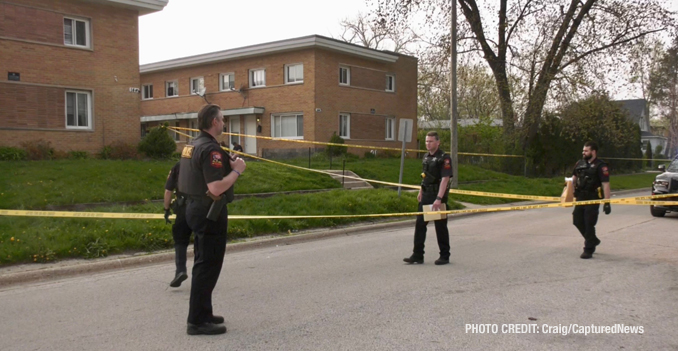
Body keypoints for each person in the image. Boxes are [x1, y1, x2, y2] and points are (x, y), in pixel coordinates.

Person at [177, 104, 246, 335]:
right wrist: (237, 171)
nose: (224, 123)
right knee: (208, 266)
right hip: (209, 212)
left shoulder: (193, 145)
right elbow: (216, 188)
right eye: (223, 119)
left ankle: (203, 312)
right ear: (214, 122)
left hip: (192, 208)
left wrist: (228, 164)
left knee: (202, 263)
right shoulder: (211, 150)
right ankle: (197, 321)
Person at [403, 131, 453, 265]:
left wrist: (439, 198)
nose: (428, 144)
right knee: (420, 225)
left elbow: (445, 179)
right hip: (426, 194)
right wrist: (421, 191)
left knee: (440, 226)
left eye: (430, 141)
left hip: (438, 195)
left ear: (438, 142)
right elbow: (424, 176)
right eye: (426, 141)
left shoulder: (444, 158)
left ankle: (444, 255)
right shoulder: (425, 157)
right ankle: (418, 254)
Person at [572, 141, 611, 259]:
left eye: (586, 151)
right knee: (577, 220)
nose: (583, 152)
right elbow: (573, 179)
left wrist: (607, 202)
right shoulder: (579, 163)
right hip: (580, 197)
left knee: (589, 223)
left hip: (593, 197)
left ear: (593, 152)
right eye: (583, 150)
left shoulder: (601, 166)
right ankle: (592, 240)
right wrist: (568, 190)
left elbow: (606, 184)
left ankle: (588, 249)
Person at [163, 161, 192, 288]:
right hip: (202, 208)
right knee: (202, 240)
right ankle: (201, 273)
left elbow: (168, 190)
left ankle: (180, 270)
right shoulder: (203, 164)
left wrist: (166, 209)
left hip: (183, 208)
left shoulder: (178, 167)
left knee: (180, 241)